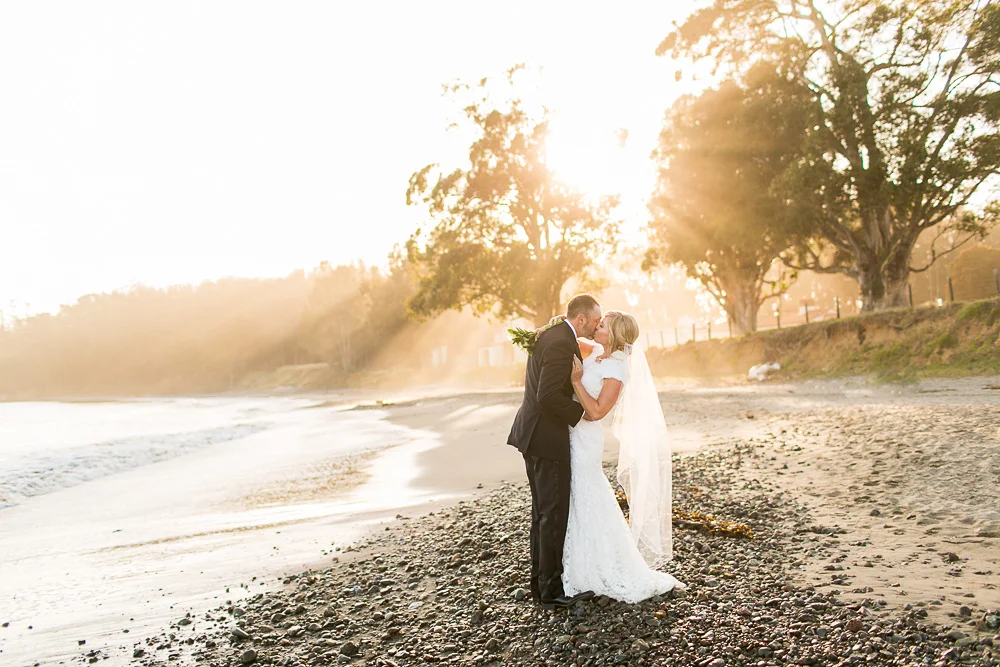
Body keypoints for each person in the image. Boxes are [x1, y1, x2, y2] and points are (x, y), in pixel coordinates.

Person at [562, 310, 685, 602]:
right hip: (570, 435)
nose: (597, 325)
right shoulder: (598, 353)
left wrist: (577, 382)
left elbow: (596, 412)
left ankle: (597, 566)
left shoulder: (617, 368)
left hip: (585, 440)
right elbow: (573, 337)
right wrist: (564, 323)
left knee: (586, 496)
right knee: (577, 499)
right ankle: (574, 559)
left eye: (601, 325)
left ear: (613, 335)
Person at [506, 294, 602, 609]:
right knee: (552, 515)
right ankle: (550, 591)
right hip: (546, 439)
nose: (598, 325)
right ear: (583, 318)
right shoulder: (561, 341)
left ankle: (541, 585)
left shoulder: (551, 333)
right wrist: (581, 415)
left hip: (531, 434)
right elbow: (547, 395)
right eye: (596, 320)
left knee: (543, 515)